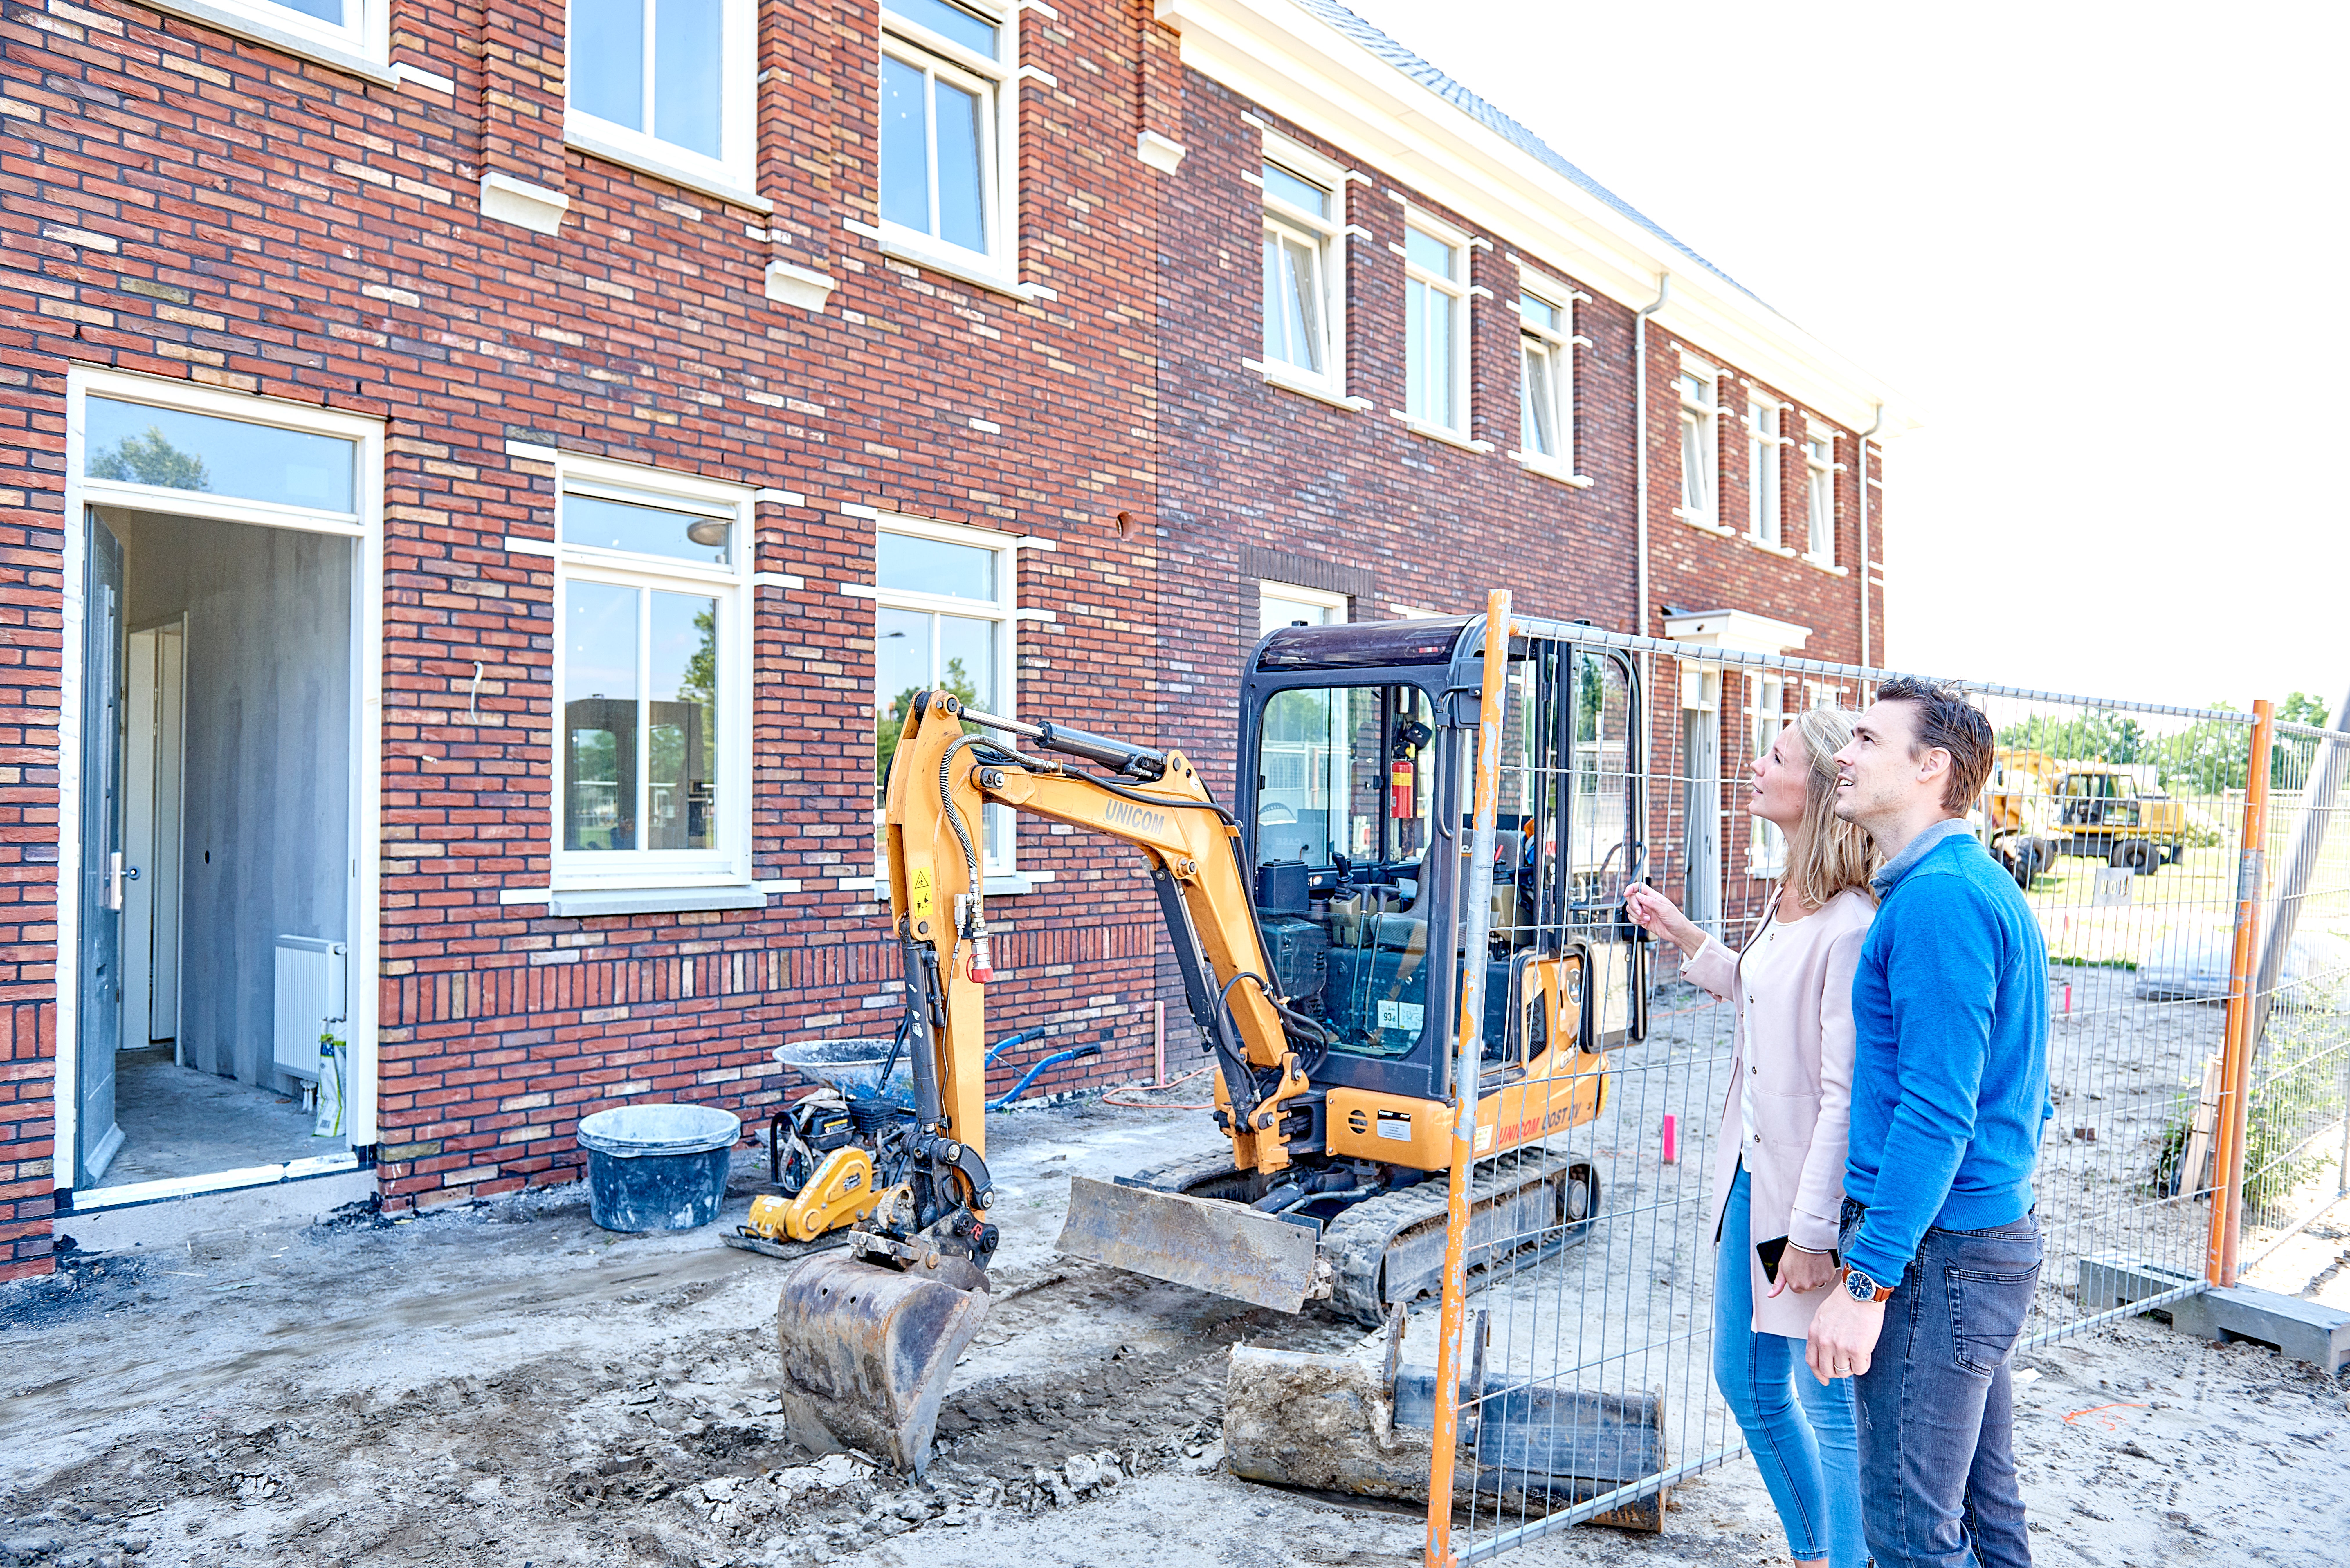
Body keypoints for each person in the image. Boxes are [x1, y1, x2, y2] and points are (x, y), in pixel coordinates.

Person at [1804, 676, 2051, 1568]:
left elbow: (1940, 1112)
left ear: (1930, 767)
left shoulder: (1942, 900)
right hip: (1969, 1244)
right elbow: (2013, 1093)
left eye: (1867, 739)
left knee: (1912, 1534)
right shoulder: (1957, 885)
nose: (1845, 752)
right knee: (1985, 1514)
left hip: (1939, 1253)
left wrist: (1866, 1283)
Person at [1625, 705, 1878, 1568]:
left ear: (1814, 786)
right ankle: (1814, 1550)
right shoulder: (1788, 899)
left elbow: (1844, 1097)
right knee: (1746, 1377)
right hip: (1748, 1176)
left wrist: (1813, 1233)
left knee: (1825, 1398)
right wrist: (1680, 932)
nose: (1753, 768)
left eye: (1772, 758)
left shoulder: (1850, 925)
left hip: (1800, 1197)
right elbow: (1756, 986)